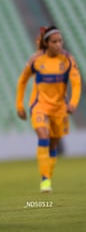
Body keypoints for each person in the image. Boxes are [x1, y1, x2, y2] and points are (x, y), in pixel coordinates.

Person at [16, 26, 81, 193]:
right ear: (46, 43)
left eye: (60, 41)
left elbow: (76, 83)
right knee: (43, 135)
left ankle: (48, 177)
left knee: (54, 144)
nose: (59, 44)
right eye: (54, 41)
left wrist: (73, 103)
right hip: (40, 106)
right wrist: (20, 105)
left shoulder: (67, 60)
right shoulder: (36, 60)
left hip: (60, 109)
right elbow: (22, 81)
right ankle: (44, 179)